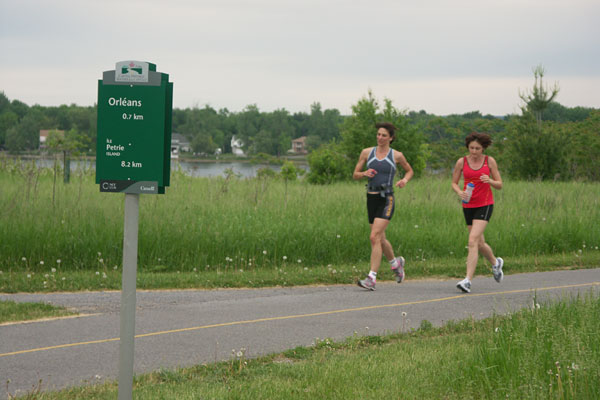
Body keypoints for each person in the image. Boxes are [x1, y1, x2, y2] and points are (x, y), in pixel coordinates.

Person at [353, 122, 414, 291]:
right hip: (371, 197)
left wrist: (404, 180)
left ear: (391, 138)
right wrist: (364, 173)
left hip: (387, 198)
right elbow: (355, 174)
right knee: (380, 238)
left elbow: (410, 170)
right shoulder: (367, 152)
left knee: (374, 237)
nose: (380, 138)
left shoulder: (397, 155)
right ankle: (396, 264)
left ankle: (371, 278)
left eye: (384, 135)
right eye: (378, 134)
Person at [451, 132, 504, 293]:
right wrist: (459, 192)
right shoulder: (462, 162)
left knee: (472, 240)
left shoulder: (489, 161)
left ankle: (467, 280)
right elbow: (453, 182)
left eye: (477, 148)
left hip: (485, 204)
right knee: (479, 243)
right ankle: (495, 263)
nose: (474, 151)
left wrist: (490, 181)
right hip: (468, 205)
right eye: (471, 148)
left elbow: (500, 184)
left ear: (483, 148)